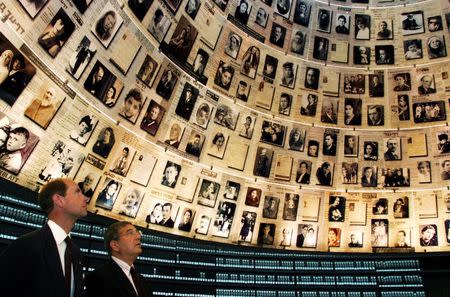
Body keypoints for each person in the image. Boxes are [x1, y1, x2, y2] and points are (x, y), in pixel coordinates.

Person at [0, 178, 88, 297]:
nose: (86, 198)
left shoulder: (76, 252)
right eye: (77, 192)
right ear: (59, 200)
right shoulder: (25, 246)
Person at [85, 221, 153, 297]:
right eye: (130, 233)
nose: (138, 236)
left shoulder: (143, 281)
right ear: (115, 245)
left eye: (138, 232)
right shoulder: (99, 278)